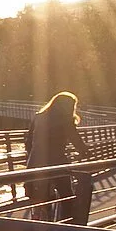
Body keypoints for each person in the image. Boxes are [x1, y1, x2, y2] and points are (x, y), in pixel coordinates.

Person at [25, 91, 84, 222]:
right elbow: (76, 140)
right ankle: (66, 225)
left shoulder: (38, 116)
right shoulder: (66, 120)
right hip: (57, 161)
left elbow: (28, 141)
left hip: (36, 160)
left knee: (41, 195)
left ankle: (42, 221)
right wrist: (86, 154)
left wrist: (33, 155)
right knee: (66, 195)